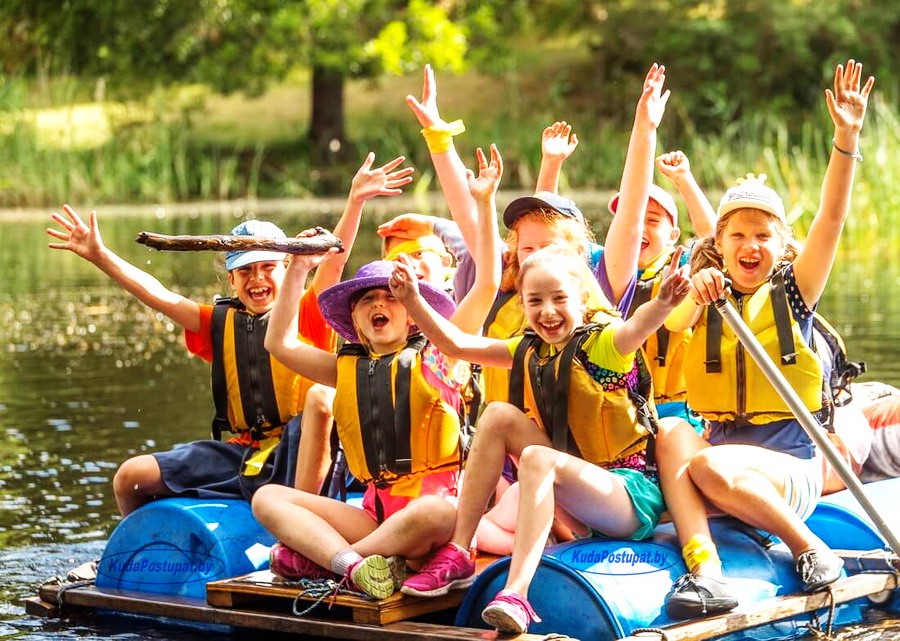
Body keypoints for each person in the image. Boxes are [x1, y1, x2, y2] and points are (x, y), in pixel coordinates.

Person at [46, 153, 414, 515]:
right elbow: (160, 296)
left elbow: (334, 257)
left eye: (268, 267)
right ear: (231, 279)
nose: (257, 279)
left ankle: (304, 523)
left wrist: (356, 199)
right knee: (131, 477)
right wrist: (100, 256)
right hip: (244, 451)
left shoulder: (309, 309)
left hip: (304, 450)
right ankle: (136, 546)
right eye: (245, 271)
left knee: (317, 405)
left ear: (289, 267)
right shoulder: (217, 322)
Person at [657, 59, 874, 619]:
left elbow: (830, 216)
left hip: (792, 467)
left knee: (709, 467)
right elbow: (666, 321)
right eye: (737, 235)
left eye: (762, 236)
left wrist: (845, 139)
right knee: (674, 430)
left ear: (781, 246)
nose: (749, 245)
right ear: (721, 244)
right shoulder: (703, 292)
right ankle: (705, 570)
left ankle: (811, 548)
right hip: (725, 453)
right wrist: (696, 289)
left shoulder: (796, 290)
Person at [391, 245, 690, 633]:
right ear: (523, 305)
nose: (547, 311)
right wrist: (412, 301)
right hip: (572, 492)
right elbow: (458, 346)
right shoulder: (532, 349)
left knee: (536, 458)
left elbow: (637, 327)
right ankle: (458, 551)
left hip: (626, 497)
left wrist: (664, 301)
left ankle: (516, 593)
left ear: (582, 299)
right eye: (535, 301)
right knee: (498, 414)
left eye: (559, 298)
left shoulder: (606, 344)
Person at [250, 145, 502, 599]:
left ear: (412, 312)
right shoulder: (347, 366)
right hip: (376, 516)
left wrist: (483, 202)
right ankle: (353, 565)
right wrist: (296, 270)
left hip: (433, 517)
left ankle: (329, 562)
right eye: (367, 300)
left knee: (434, 513)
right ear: (357, 323)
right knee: (267, 498)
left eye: (391, 296)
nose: (379, 304)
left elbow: (486, 282)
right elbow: (278, 342)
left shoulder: (444, 352)